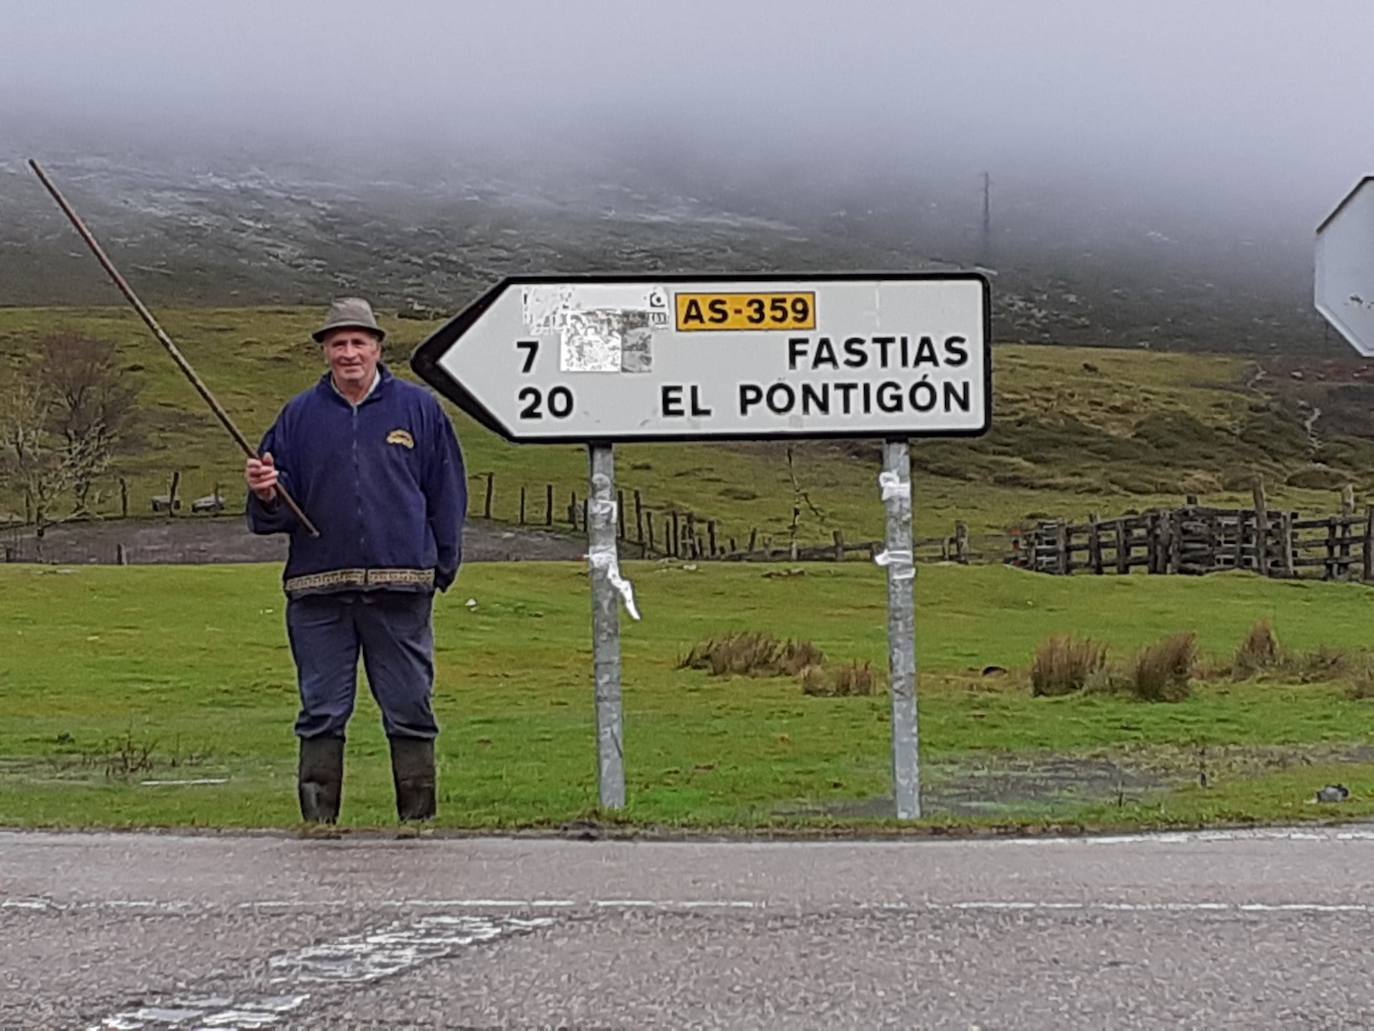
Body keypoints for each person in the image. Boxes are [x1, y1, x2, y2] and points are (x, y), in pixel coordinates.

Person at [244, 297, 466, 826]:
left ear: (377, 348)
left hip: (402, 587)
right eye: (337, 343)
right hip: (318, 591)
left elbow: (447, 493)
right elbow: (272, 510)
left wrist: (441, 567)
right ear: (325, 351)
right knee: (321, 710)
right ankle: (318, 826)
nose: (348, 353)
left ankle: (418, 823)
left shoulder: (420, 410)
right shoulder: (298, 416)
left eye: (358, 342)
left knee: (411, 707)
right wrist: (267, 492)